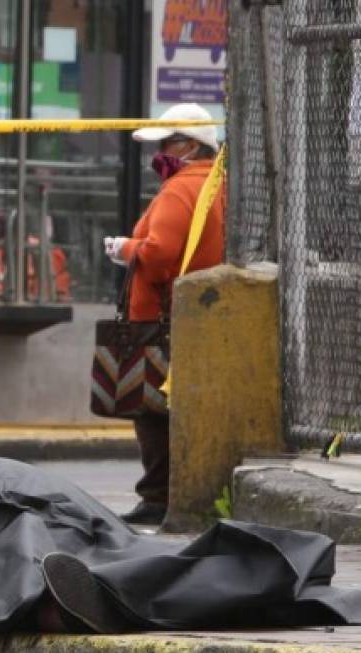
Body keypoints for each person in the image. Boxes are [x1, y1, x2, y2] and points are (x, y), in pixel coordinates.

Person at [104, 103, 226, 526]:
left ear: (191, 145)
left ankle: (157, 494)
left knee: (151, 406)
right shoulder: (220, 184)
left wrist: (125, 249)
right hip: (203, 314)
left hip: (159, 316)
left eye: (166, 144)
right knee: (184, 405)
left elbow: (158, 257)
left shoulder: (180, 188)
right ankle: (186, 488)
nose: (159, 154)